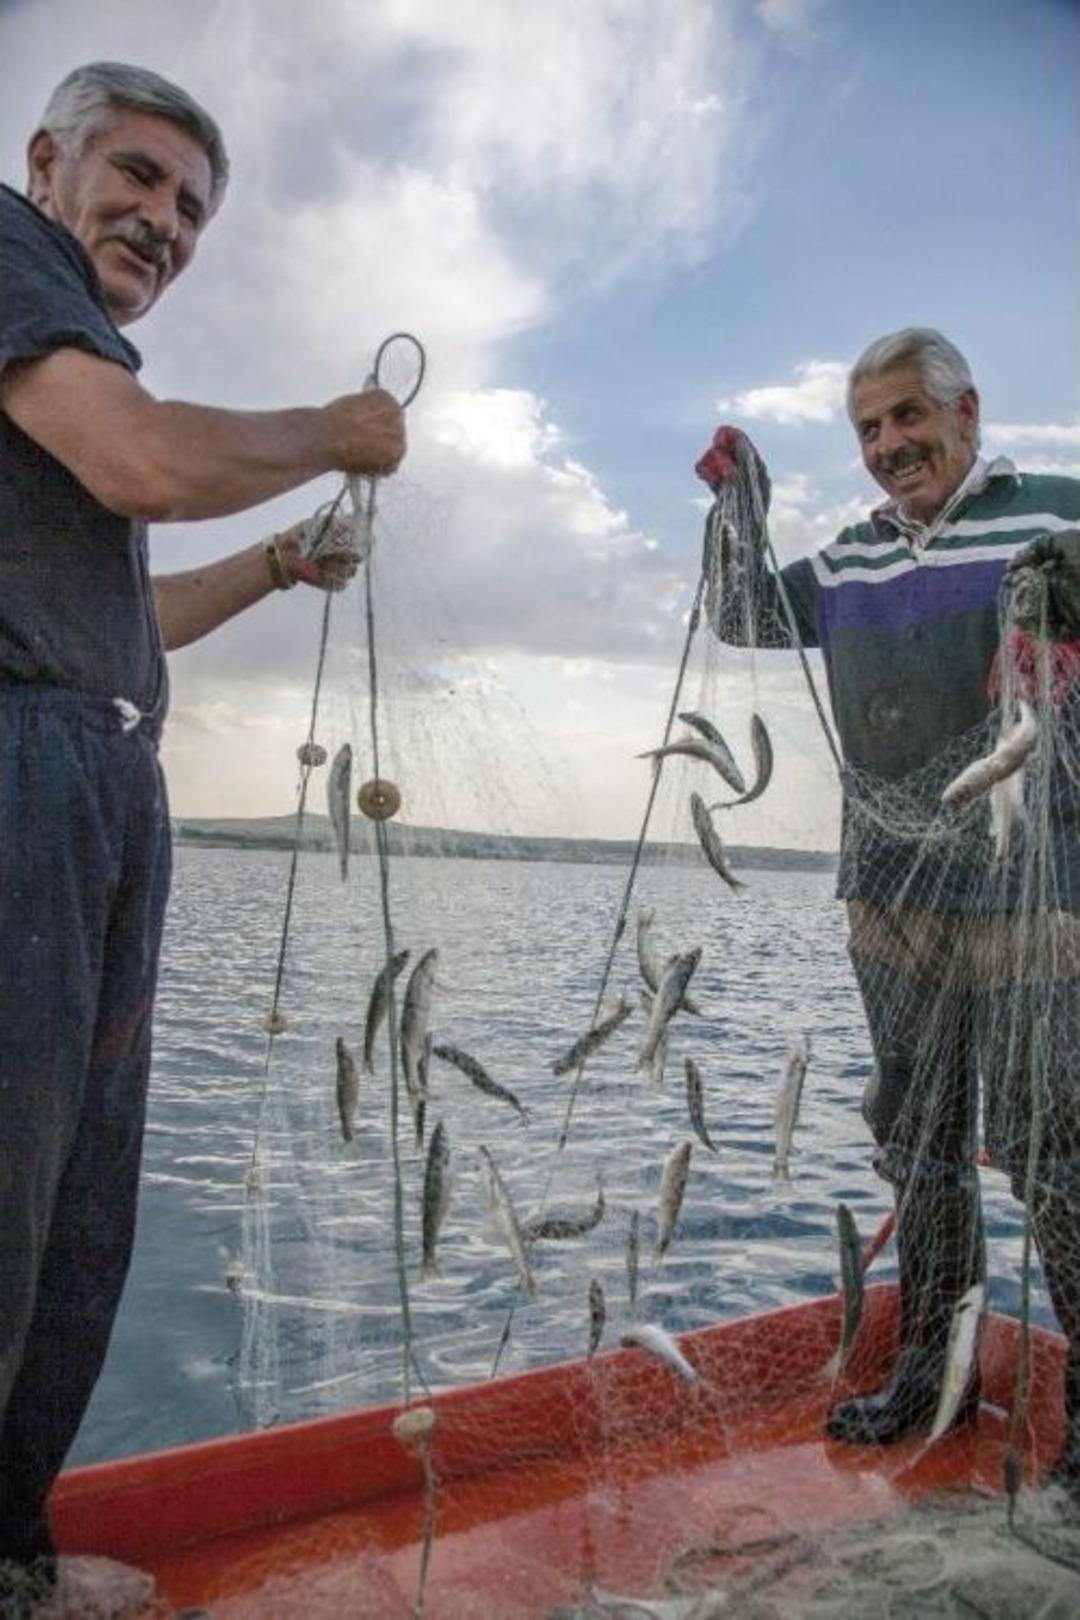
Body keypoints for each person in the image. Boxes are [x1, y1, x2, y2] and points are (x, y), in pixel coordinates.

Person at [0, 61, 406, 1607]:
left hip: (92, 767)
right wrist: (334, 431)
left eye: (190, 207)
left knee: (71, 1216)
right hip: (26, 782)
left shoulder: (61, 371)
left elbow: (129, 620)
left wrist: (281, 562)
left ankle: (10, 1559)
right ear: (48, 162)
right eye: (139, 175)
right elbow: (150, 459)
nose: (163, 220)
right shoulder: (11, 262)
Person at [697, 328, 1080, 1487]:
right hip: (890, 901)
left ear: (968, 413)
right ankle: (932, 1376)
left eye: (910, 415)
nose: (890, 444)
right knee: (918, 1145)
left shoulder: (1054, 511)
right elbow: (744, 615)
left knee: (1051, 1149)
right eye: (869, 427)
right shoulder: (850, 560)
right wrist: (740, 511)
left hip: (1033, 898)